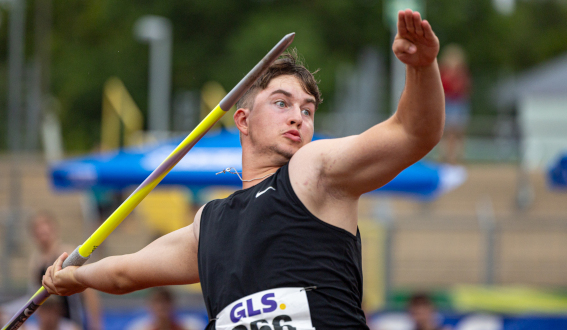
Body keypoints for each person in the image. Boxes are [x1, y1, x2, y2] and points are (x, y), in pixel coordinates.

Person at [42, 9, 444, 329]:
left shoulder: (312, 171)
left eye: (307, 110)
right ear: (243, 120)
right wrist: (75, 278)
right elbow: (126, 273)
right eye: (282, 103)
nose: (298, 118)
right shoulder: (210, 222)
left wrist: (422, 68)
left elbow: (413, 132)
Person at [28, 212, 103, 330]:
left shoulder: (67, 255)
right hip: (49, 323)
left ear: (53, 230)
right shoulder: (35, 261)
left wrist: (95, 322)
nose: (43, 236)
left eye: (45, 232)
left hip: (71, 320)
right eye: (39, 233)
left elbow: (89, 292)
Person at [438, 44, 471, 164]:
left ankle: (458, 155)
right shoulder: (444, 74)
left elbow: (466, 88)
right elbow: (443, 88)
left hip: (459, 102)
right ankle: (447, 155)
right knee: (448, 132)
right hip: (449, 103)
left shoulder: (461, 74)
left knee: (459, 131)